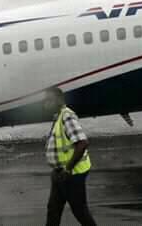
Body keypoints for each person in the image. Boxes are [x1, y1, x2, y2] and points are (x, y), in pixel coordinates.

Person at [43, 87, 96, 226]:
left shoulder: (66, 116)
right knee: (53, 209)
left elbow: (82, 142)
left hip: (72, 174)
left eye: (48, 100)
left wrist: (68, 169)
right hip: (60, 173)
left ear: (58, 100)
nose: (45, 104)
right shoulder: (59, 116)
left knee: (80, 211)